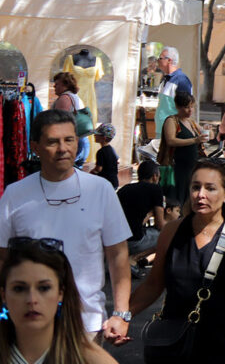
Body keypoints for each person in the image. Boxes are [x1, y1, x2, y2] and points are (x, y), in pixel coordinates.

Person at [0, 110, 132, 343]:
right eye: (53, 141)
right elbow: (3, 259)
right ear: (36, 147)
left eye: (69, 139)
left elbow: (118, 255)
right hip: (29, 326)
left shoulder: (100, 190)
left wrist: (121, 314)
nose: (63, 148)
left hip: (87, 326)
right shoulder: (14, 195)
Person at [130, 159, 225, 363]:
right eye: (196, 187)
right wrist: (122, 315)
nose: (200, 195)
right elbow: (153, 284)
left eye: (210, 188)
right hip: (176, 342)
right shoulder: (173, 231)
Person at [0, 239, 117, 364]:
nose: (32, 299)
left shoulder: (89, 358)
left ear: (60, 293)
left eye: (44, 288)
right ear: (3, 295)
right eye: (19, 288)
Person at [159, 91, 205, 207]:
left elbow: (204, 132)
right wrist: (194, 140)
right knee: (176, 200)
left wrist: (209, 132)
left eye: (192, 107)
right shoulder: (172, 121)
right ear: (178, 107)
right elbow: (171, 140)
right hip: (176, 167)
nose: (190, 110)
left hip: (190, 167)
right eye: (186, 107)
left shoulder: (191, 122)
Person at [117, 160, 165, 265]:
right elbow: (160, 225)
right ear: (155, 176)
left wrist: (149, 214)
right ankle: (134, 258)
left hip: (117, 241)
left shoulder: (124, 189)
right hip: (134, 241)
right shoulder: (155, 189)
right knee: (168, 235)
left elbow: (133, 221)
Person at [51, 71, 90, 166]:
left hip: (74, 142)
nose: (54, 86)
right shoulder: (75, 97)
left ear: (66, 84)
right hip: (82, 140)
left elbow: (59, 121)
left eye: (57, 84)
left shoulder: (65, 98)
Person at [155, 46, 193, 140]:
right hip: (162, 130)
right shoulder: (167, 79)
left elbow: (186, 107)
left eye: (160, 58)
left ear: (169, 60)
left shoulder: (181, 80)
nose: (158, 60)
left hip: (173, 132)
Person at [90, 123, 118, 189]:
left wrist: (90, 173)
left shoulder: (101, 152)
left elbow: (99, 169)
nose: (95, 135)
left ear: (104, 138)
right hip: (114, 182)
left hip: (105, 183)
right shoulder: (112, 149)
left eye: (97, 134)